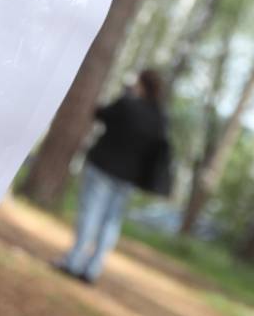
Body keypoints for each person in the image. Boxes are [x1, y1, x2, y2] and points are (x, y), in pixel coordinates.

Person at [56, 69, 172, 283]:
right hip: (129, 178)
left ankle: (74, 261)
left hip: (102, 168)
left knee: (91, 213)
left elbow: (100, 113)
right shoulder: (159, 118)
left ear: (141, 84)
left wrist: (125, 96)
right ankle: (92, 269)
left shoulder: (128, 104)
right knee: (111, 222)